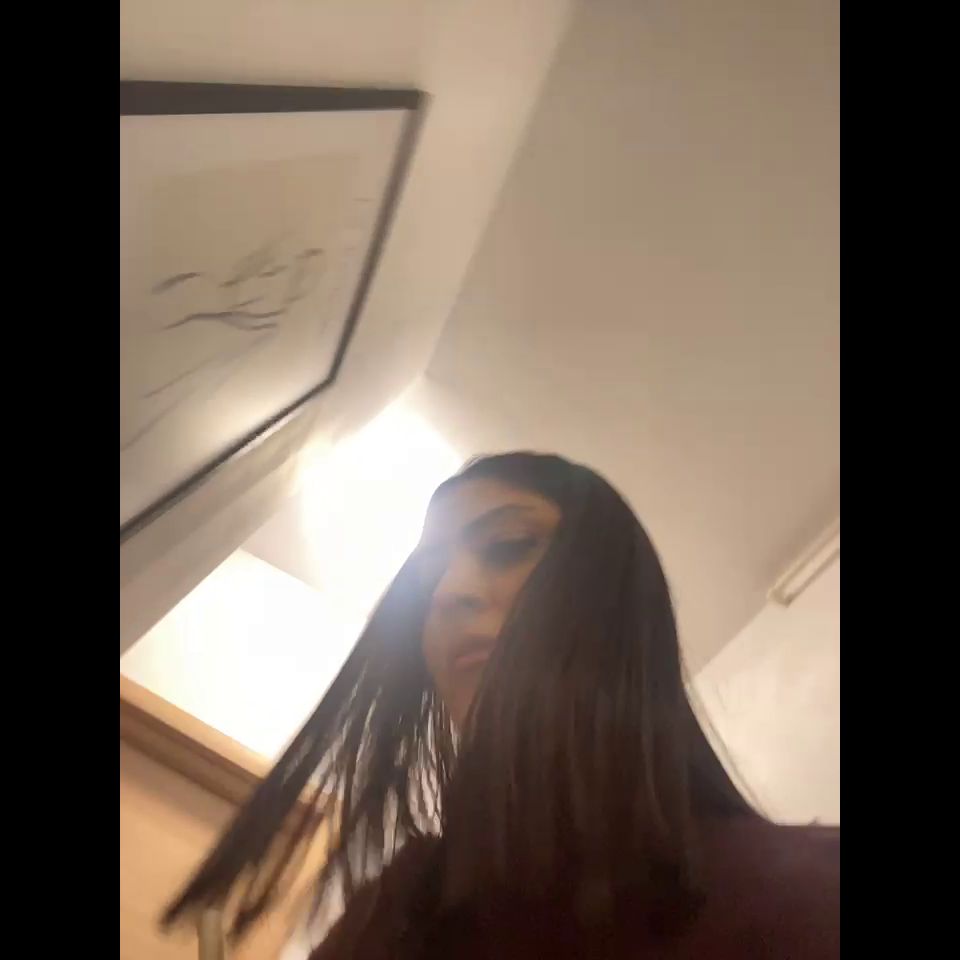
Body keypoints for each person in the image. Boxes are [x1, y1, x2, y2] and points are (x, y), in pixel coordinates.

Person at [165, 452, 840, 958]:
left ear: (610, 602)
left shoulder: (808, 891)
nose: (447, 592)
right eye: (429, 575)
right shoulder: (401, 907)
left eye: (509, 546)